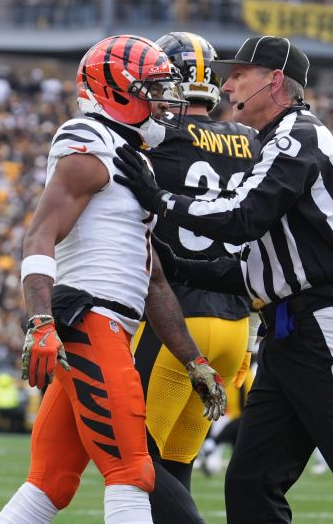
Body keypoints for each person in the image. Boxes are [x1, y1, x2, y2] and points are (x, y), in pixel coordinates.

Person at [112, 35, 333, 523]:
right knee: (250, 484)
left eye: (239, 74)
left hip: (323, 326)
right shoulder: (273, 142)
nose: (226, 83)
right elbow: (254, 266)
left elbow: (242, 216)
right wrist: (173, 267)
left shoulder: (296, 135)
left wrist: (160, 200)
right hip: (285, 330)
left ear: (274, 80)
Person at [0, 34, 226, 524]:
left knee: (50, 483)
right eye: (155, 88)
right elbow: (39, 236)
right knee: (132, 470)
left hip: (111, 324)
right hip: (91, 320)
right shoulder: (91, 142)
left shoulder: (131, 155)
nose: (168, 100)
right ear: (118, 88)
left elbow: (155, 278)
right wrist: (39, 320)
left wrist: (193, 360)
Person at [130, 31, 261, 524]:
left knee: (133, 454)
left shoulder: (157, 140)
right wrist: (250, 332)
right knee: (175, 462)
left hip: (174, 321)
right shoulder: (251, 141)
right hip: (232, 325)